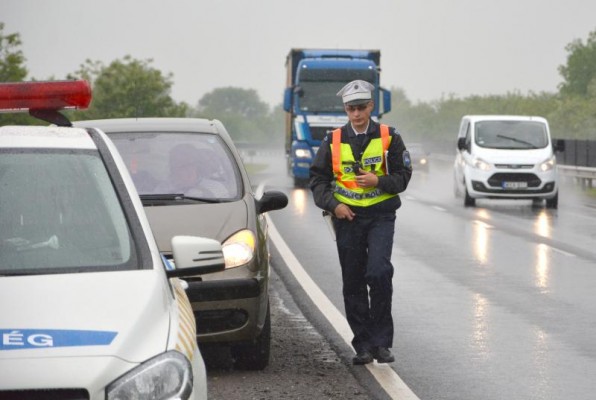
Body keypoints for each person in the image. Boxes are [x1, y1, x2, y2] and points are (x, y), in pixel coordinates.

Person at [309, 80, 412, 365]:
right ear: (345, 109)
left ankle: (382, 343)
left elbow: (403, 177)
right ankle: (363, 345)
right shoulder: (333, 140)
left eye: (361, 108)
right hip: (348, 218)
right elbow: (317, 181)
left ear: (371, 106)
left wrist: (379, 180)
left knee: (379, 273)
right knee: (353, 280)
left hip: (380, 215)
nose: (356, 114)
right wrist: (334, 205)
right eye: (351, 109)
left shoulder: (390, 136)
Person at [154, 143, 229, 198]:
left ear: (197, 165)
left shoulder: (217, 188)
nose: (188, 169)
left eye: (190, 164)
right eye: (182, 165)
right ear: (173, 168)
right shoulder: (163, 190)